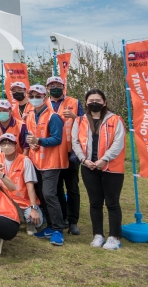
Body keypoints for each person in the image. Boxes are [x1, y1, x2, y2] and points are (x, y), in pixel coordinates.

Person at [71, 89, 125, 250]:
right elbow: (75, 142)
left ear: (104, 102)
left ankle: (114, 237)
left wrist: (104, 159)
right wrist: (84, 159)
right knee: (95, 203)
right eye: (91, 100)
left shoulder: (115, 119)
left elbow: (118, 143)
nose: (94, 103)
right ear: (86, 103)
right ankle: (98, 235)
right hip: (88, 167)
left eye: (98, 100)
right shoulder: (80, 120)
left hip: (112, 168)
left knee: (112, 203)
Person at [24, 84, 67, 246]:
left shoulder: (53, 117)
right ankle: (50, 226)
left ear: (45, 97)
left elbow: (57, 139)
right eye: (32, 96)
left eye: (38, 96)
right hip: (35, 161)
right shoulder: (30, 115)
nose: (34, 99)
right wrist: (31, 143)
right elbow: (29, 135)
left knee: (49, 194)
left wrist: (39, 141)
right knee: (41, 195)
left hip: (51, 162)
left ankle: (58, 229)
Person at [47, 76, 84, 236]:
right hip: (51, 152)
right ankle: (62, 218)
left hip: (70, 152)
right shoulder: (43, 103)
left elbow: (86, 123)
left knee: (72, 187)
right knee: (56, 188)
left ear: (63, 86)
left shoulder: (74, 102)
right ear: (47, 88)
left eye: (58, 84)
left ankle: (73, 221)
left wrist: (75, 117)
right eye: (52, 85)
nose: (55, 87)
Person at [0, 133, 43, 236]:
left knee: (37, 222)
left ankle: (27, 219)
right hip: (5, 201)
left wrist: (33, 208)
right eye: (3, 143)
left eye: (10, 143)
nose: (6, 146)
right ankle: (17, 218)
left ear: (16, 146)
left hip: (23, 202)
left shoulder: (25, 160)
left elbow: (30, 186)